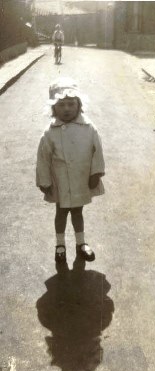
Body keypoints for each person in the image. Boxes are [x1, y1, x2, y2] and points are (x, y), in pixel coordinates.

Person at [36, 77, 105, 264]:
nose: (66, 108)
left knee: (77, 211)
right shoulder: (50, 133)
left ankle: (81, 243)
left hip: (81, 179)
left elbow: (97, 151)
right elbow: (43, 158)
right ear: (53, 108)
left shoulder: (89, 128)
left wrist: (96, 173)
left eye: (71, 104)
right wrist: (44, 181)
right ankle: (60, 245)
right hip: (60, 180)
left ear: (78, 105)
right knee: (61, 211)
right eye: (61, 105)